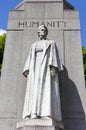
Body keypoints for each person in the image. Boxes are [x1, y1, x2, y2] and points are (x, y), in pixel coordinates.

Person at [22, 24, 63, 122]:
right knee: (34, 91)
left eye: (44, 30)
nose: (43, 31)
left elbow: (54, 56)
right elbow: (30, 57)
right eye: (41, 30)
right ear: (38, 32)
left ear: (46, 32)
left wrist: (53, 67)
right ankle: (33, 113)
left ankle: (46, 113)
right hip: (35, 69)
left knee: (46, 90)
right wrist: (27, 69)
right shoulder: (33, 45)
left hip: (46, 68)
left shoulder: (51, 43)